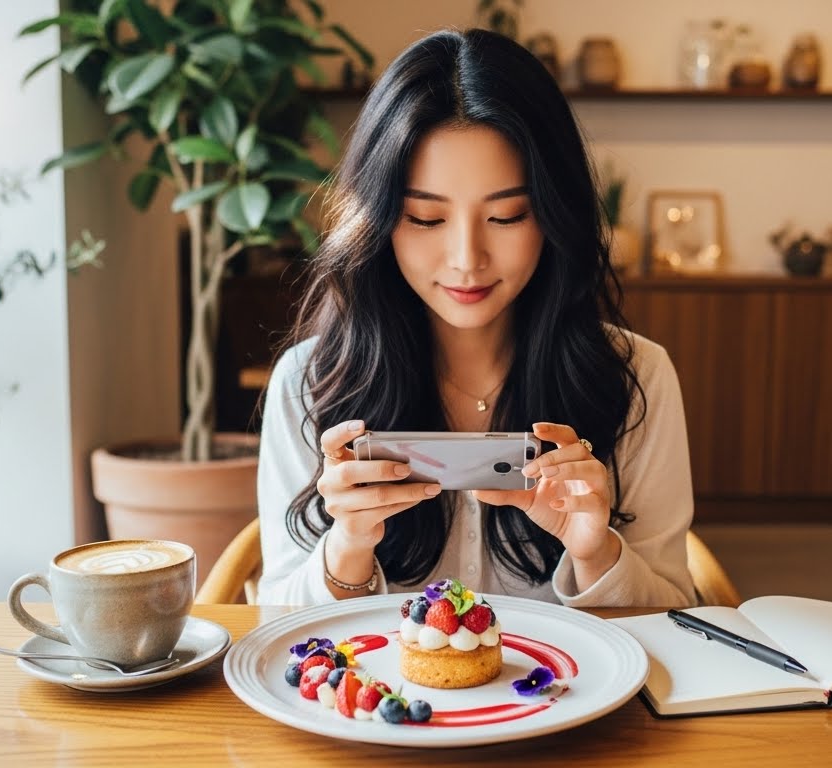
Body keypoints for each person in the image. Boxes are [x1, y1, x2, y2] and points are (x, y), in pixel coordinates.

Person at [257, 28, 695, 607]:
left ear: (553, 214)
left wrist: (595, 552)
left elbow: (678, 617)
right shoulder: (309, 382)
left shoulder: (636, 377)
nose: (467, 260)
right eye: (425, 218)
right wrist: (348, 549)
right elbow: (276, 626)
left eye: (508, 216)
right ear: (378, 222)